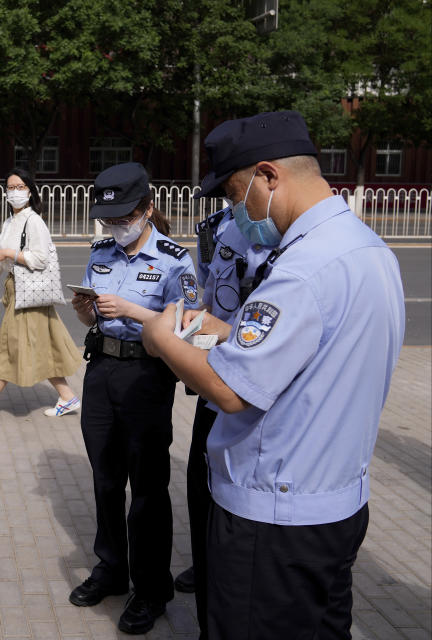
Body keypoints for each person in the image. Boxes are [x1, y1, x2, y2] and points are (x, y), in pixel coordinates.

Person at [141, 111, 405, 640]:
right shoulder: (368, 248)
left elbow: (230, 390)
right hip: (336, 503)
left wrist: (159, 337)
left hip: (275, 518)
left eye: (236, 195)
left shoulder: (302, 269)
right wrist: (225, 327)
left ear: (268, 176)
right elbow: (312, 353)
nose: (236, 211)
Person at [67, 162, 199, 635]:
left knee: (146, 488)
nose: (115, 227)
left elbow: (188, 327)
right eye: (108, 220)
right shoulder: (101, 251)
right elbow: (94, 321)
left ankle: (151, 588)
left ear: (146, 209)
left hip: (146, 376)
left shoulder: (175, 260)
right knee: (105, 480)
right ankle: (111, 568)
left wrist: (132, 310)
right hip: (101, 369)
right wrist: (88, 312)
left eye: (124, 217)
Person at [171, 203, 273, 636]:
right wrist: (191, 326)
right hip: (216, 377)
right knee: (200, 487)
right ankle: (205, 564)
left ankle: (228, 578)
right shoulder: (219, 226)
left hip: (261, 384)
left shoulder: (291, 233)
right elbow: (208, 290)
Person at [0, 168, 81, 421]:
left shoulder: (33, 220)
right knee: (44, 346)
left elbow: (40, 259)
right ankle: (68, 398)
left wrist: (9, 253)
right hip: (21, 292)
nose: (15, 192)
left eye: (20, 187)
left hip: (28, 294)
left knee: (7, 348)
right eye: (10, 187)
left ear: (30, 191)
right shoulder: (10, 222)